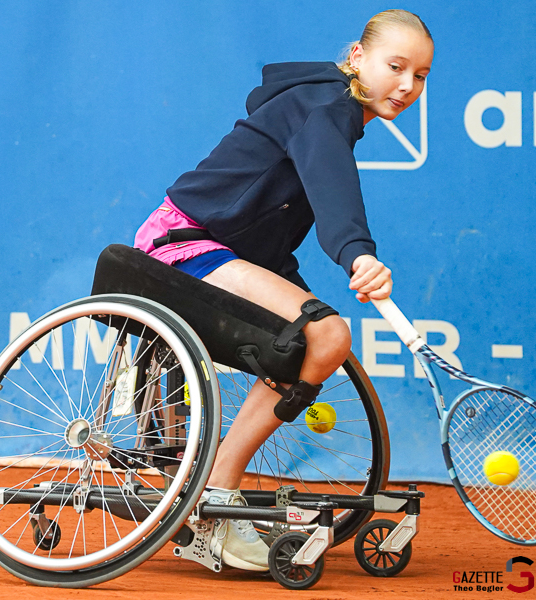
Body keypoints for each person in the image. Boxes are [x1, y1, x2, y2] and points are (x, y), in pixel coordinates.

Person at [133, 10, 433, 571]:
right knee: (327, 334)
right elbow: (331, 187)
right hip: (183, 242)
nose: (406, 86)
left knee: (320, 342)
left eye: (420, 76)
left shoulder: (330, 105)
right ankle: (215, 496)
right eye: (395, 67)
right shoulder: (326, 109)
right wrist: (358, 252)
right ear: (357, 57)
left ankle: (212, 485)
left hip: (232, 249)